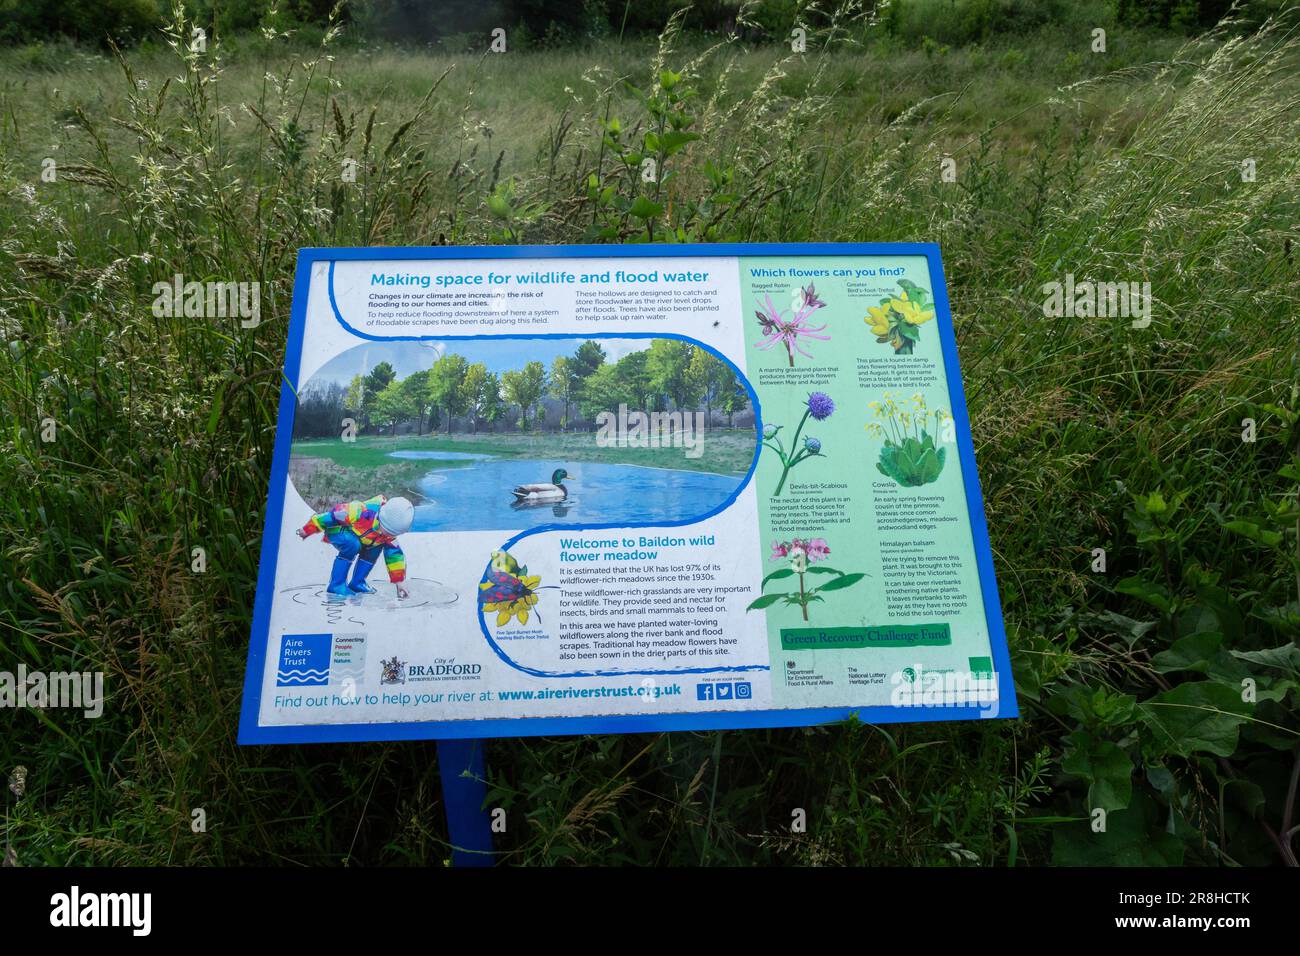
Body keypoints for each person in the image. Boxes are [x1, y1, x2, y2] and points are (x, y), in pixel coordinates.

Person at [296, 495, 414, 598]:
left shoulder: (388, 535)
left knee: (377, 546)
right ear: (381, 517)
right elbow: (330, 517)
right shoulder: (360, 511)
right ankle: (336, 585)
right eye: (386, 530)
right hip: (339, 532)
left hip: (365, 539)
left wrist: (399, 582)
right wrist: (307, 529)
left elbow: (394, 555)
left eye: (392, 534)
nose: (387, 535)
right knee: (353, 544)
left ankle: (357, 582)